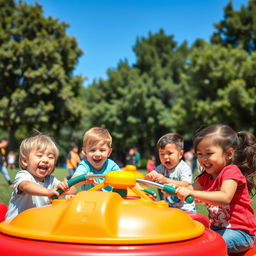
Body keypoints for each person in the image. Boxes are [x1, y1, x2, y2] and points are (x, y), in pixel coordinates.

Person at [175, 124, 256, 254]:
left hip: (241, 232)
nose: (203, 159)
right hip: (217, 229)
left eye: (209, 153)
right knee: (191, 241)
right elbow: (189, 188)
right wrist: (174, 188)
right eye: (199, 154)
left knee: (206, 248)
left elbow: (225, 198)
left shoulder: (231, 172)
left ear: (229, 153)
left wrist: (191, 192)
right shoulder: (206, 177)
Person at [5, 133, 74, 220]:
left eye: (50, 157)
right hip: (14, 227)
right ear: (25, 161)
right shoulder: (24, 175)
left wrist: (68, 190)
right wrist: (48, 192)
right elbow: (25, 186)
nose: (45, 160)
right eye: (39, 155)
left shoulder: (51, 180)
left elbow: (71, 189)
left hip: (36, 225)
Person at [146, 133, 196, 212]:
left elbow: (186, 184)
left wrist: (166, 180)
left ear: (180, 154)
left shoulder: (184, 167)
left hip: (185, 209)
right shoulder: (161, 167)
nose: (165, 157)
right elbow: (150, 176)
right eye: (162, 154)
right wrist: (150, 176)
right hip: (169, 208)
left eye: (169, 153)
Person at [71, 127, 120, 191]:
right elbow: (74, 180)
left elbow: (123, 178)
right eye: (92, 150)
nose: (97, 154)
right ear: (85, 152)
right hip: (89, 200)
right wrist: (85, 177)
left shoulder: (111, 165)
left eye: (102, 150)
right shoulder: (85, 165)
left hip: (108, 199)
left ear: (109, 152)